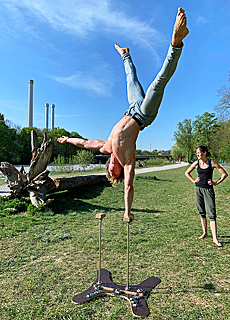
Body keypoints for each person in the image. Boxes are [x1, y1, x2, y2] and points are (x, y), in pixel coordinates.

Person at [57, 8, 189, 222]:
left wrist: (66, 139)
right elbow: (128, 186)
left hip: (132, 107)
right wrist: (127, 212)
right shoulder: (128, 161)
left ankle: (125, 53)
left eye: (110, 168)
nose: (111, 166)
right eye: (114, 169)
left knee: (130, 78)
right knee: (158, 83)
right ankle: (176, 42)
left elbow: (82, 143)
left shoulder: (105, 146)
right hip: (144, 115)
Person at [185, 146, 228, 247]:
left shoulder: (212, 163)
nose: (198, 155)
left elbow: (224, 174)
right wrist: (193, 181)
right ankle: (205, 233)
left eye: (199, 153)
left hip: (208, 190)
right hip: (198, 189)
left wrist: (216, 183)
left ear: (204, 153)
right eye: (197, 153)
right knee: (201, 211)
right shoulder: (196, 163)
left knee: (211, 213)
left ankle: (215, 238)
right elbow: (187, 173)